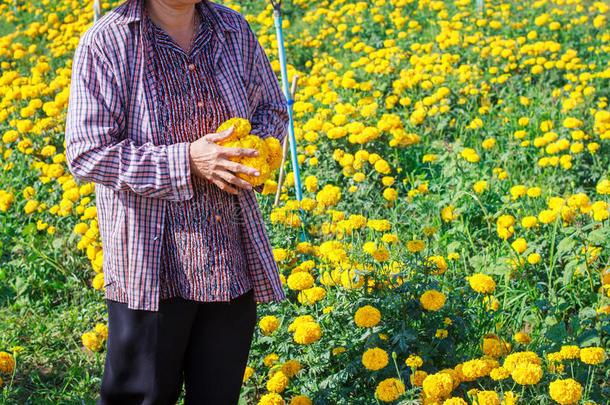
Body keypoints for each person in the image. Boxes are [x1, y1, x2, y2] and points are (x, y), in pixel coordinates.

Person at [64, 0, 289, 403]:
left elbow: (271, 107)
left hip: (227, 262)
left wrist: (257, 152)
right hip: (152, 270)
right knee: (140, 397)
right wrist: (187, 160)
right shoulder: (108, 41)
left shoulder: (232, 29)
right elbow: (87, 151)